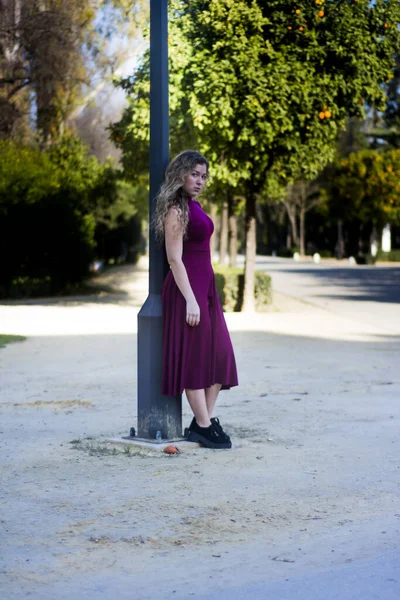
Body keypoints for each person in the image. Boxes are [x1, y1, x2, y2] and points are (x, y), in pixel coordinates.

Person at [155, 150, 238, 449]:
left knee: (220, 357)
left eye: (204, 176)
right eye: (194, 174)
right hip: (186, 292)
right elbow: (174, 260)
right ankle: (204, 425)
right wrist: (191, 299)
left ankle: (202, 423)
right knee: (195, 360)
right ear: (181, 174)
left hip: (206, 290)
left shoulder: (195, 207)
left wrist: (204, 296)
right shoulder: (176, 210)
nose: (200, 181)